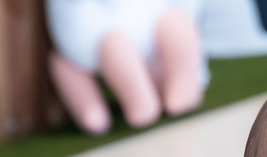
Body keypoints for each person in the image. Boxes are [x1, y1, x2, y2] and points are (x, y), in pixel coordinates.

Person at [46, 0, 206, 135]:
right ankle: (132, 104)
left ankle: (178, 87)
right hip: (100, 43)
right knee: (110, 48)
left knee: (176, 25)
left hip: (140, 31)